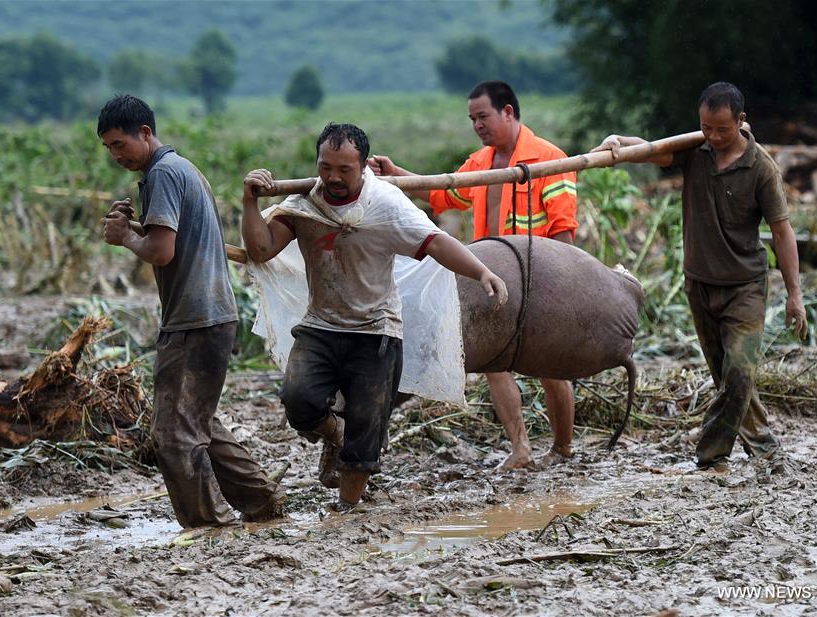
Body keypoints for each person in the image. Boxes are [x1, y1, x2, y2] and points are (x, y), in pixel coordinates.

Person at [241, 123, 508, 509]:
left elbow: (436, 242)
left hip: (376, 331)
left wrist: (481, 271)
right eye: (325, 166)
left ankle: (347, 508)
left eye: (344, 170)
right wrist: (250, 202)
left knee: (366, 435)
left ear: (363, 166)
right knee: (298, 401)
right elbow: (261, 248)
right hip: (321, 326)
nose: (332, 177)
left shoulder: (386, 205)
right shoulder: (303, 205)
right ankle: (337, 433)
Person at [591, 81, 808, 469]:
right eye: (706, 127)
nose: (713, 135)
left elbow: (781, 231)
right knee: (728, 379)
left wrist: (795, 295)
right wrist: (618, 142)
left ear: (741, 122)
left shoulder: (761, 168)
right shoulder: (695, 150)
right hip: (699, 284)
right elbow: (651, 150)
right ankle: (764, 448)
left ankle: (710, 453)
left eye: (722, 129)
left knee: (740, 371)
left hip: (744, 286)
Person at [368, 80, 578, 470]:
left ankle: (563, 447)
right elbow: (443, 195)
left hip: (539, 275)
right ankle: (521, 449)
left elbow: (564, 230)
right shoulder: (480, 164)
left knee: (551, 365)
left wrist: (560, 285)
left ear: (508, 112)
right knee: (494, 363)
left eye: (483, 116)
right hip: (494, 276)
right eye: (472, 119)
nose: (477, 125)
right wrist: (397, 173)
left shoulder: (550, 159)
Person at [98, 94, 285, 528]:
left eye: (120, 144)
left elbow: (161, 252)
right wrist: (134, 228)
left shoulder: (163, 174)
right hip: (210, 314)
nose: (115, 155)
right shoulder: (176, 169)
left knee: (174, 436)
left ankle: (209, 526)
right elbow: (173, 240)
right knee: (198, 421)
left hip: (195, 318)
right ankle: (262, 501)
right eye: (108, 148)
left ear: (145, 133)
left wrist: (125, 237)